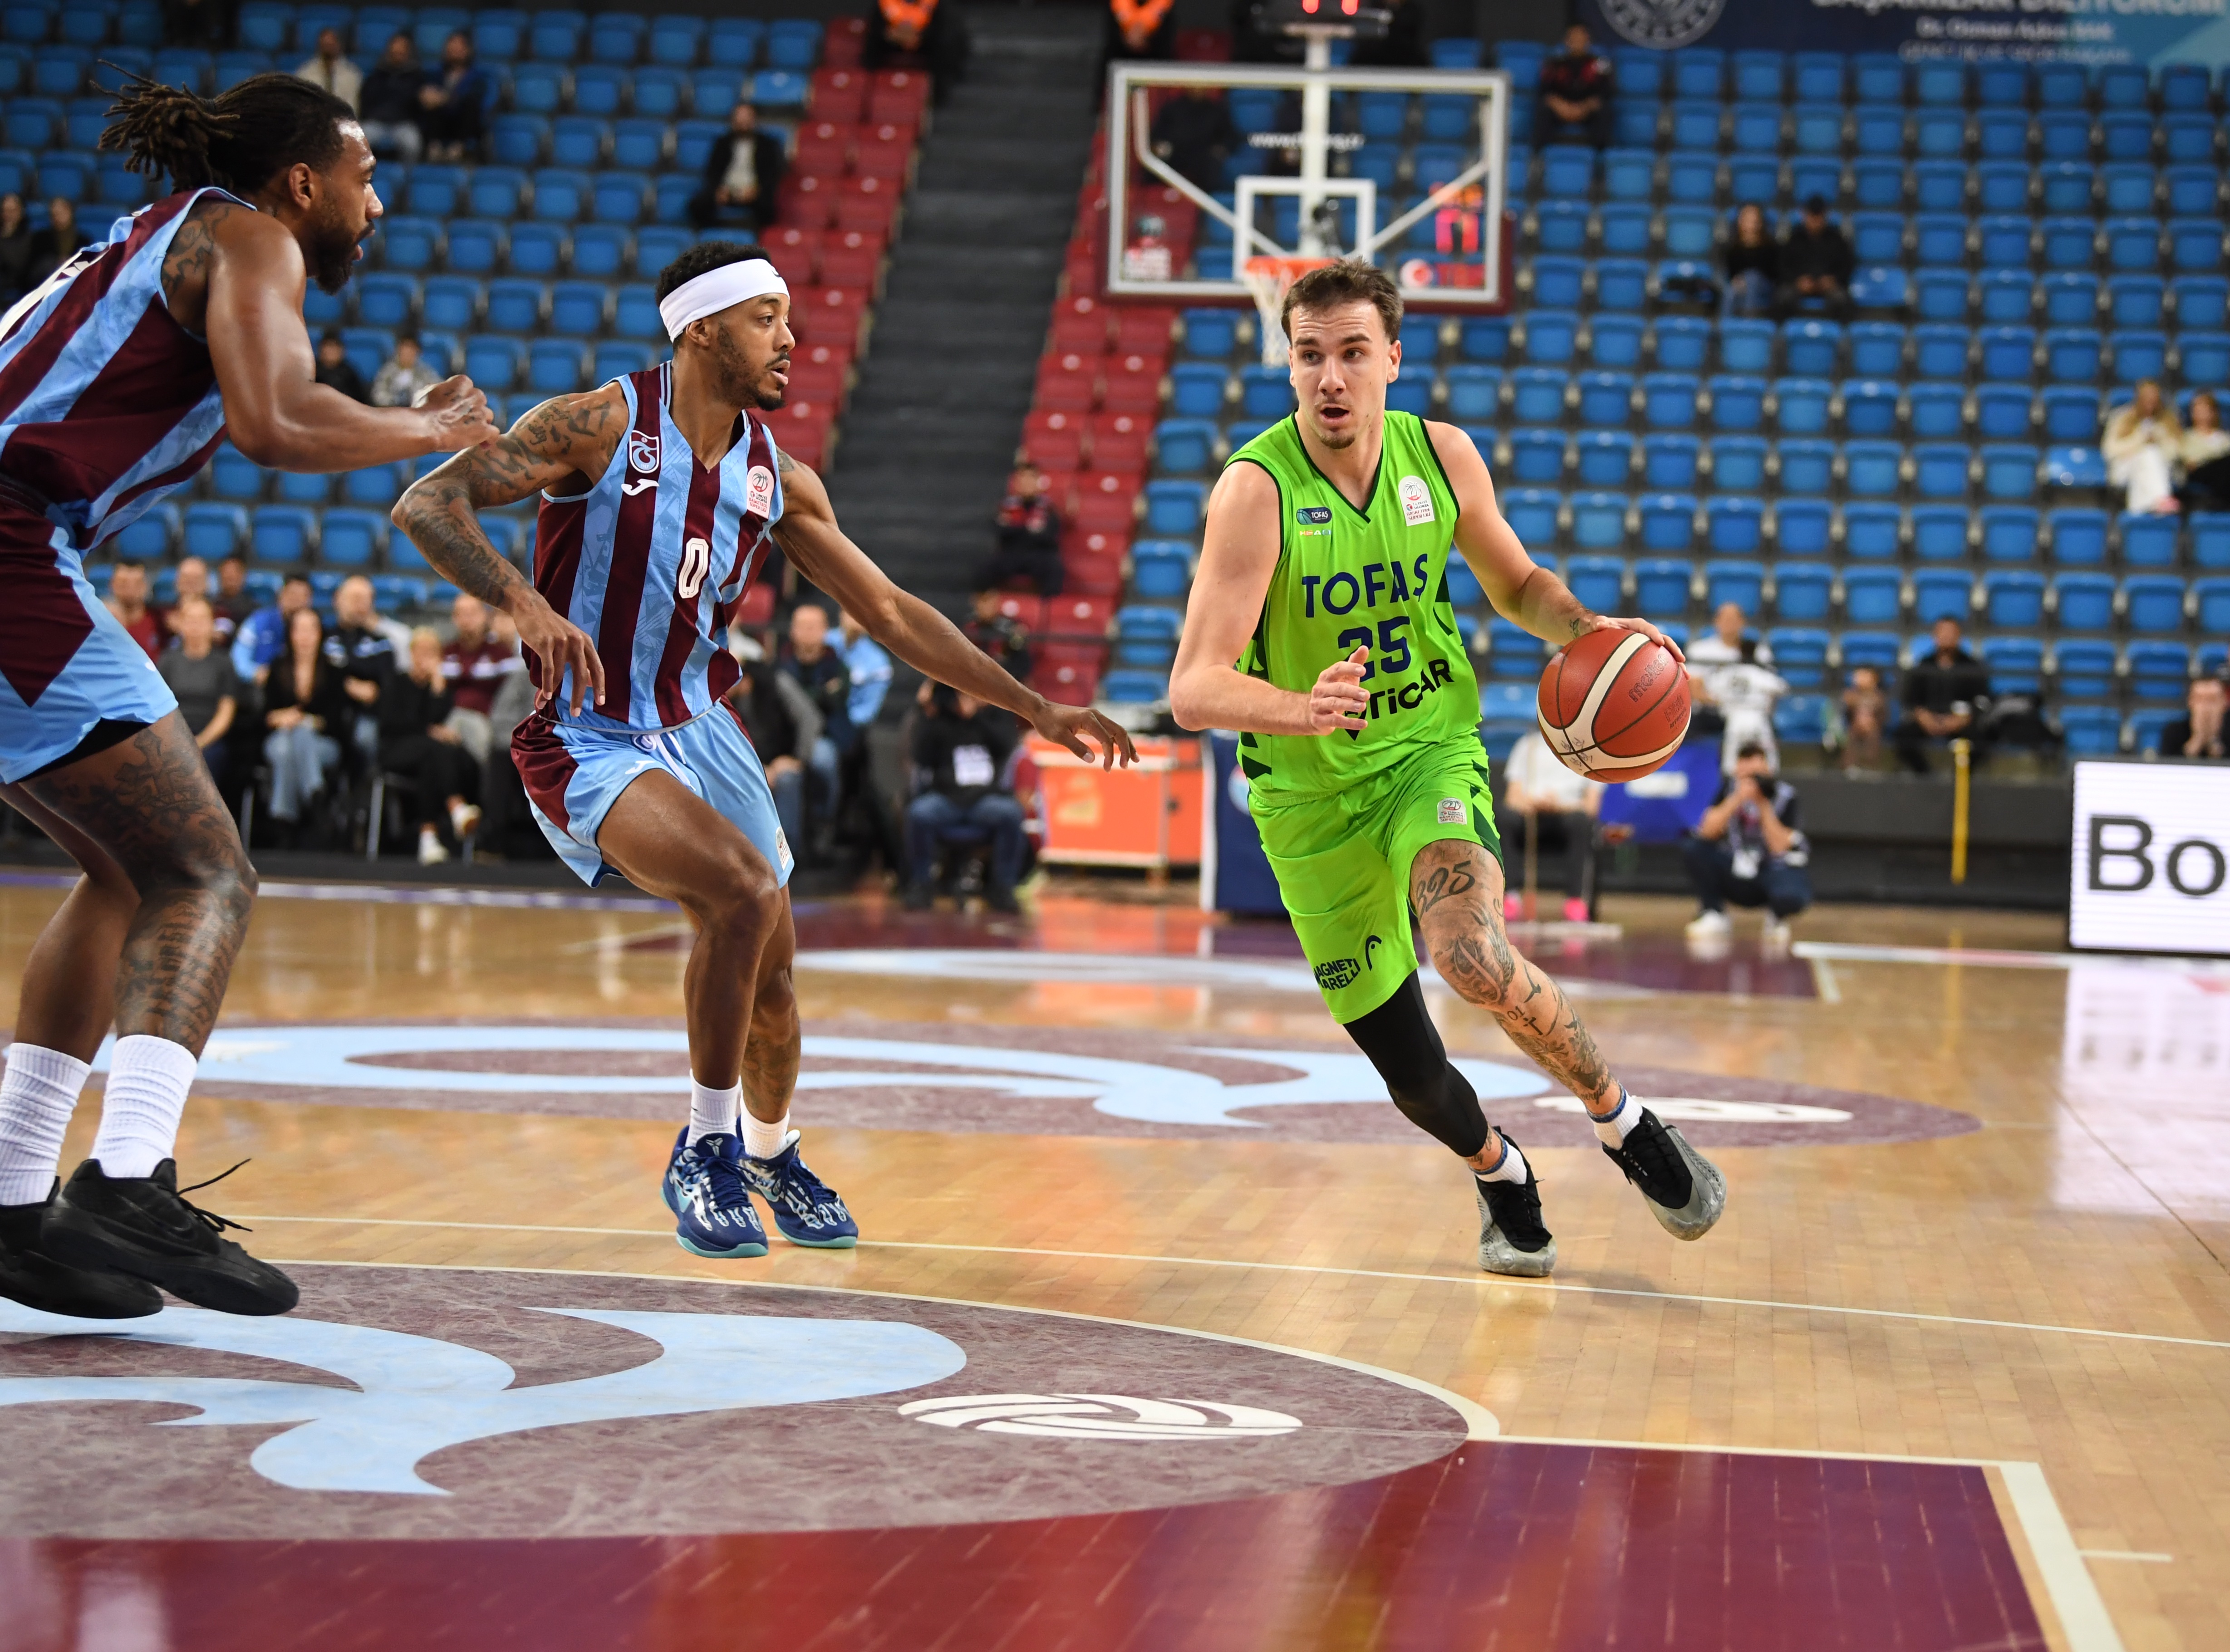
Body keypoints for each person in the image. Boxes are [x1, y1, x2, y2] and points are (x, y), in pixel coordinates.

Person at [390, 240, 1133, 1263]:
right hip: (589, 732)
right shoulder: (597, 425)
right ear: (703, 330)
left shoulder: (777, 478)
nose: (792, 338)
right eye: (766, 318)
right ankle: (706, 1148)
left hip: (706, 727)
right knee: (740, 892)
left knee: (775, 993)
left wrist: (1033, 705)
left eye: (788, 317)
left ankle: (774, 1153)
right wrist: (521, 602)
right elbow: (427, 502)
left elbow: (888, 611)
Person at [0, 71, 498, 1323]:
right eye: (365, 179)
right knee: (205, 870)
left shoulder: (155, 237)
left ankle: (10, 1205)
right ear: (302, 181)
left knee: (127, 874)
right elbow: (275, 423)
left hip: (23, 540)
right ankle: (129, 1179)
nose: (376, 204)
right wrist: (428, 428)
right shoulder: (250, 236)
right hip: (8, 542)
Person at [1167, 258, 1724, 1279]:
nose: (1330, 377)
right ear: (1288, 366)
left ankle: (1623, 1121)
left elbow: (1515, 583)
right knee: (1415, 1076)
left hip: (1428, 751)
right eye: (1309, 356)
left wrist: (1589, 629)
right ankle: (1499, 1171)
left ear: (1391, 358)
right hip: (1308, 801)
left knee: (1469, 954)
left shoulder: (1441, 456)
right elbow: (1193, 687)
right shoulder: (1255, 491)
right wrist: (1299, 707)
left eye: (1351, 353)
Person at [905, 681, 1025, 911]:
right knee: (919, 813)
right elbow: (921, 755)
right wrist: (927, 713)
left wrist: (977, 716)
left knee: (1011, 813)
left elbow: (1005, 745)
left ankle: (1003, 888)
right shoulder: (941, 719)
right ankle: (921, 885)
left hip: (984, 801)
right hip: (947, 799)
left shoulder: (995, 717)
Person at [1682, 743, 1811, 947]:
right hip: (1736, 867)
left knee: (1792, 894)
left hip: (1770, 870)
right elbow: (1706, 831)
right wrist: (1737, 798)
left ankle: (1778, 916)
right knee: (1694, 849)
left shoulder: (1786, 796)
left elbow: (1780, 846)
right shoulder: (1728, 789)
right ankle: (1714, 912)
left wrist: (1762, 802)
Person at [380, 627, 482, 863]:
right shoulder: (396, 681)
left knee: (433, 763)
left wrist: (437, 690)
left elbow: (439, 719)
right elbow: (392, 723)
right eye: (421, 651)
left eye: (431, 652)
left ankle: (428, 839)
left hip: (428, 756)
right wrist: (428, 730)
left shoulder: (441, 689)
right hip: (396, 749)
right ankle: (456, 807)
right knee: (435, 749)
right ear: (411, 653)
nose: (425, 657)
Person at [727, 633, 820, 854]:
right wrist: (759, 769)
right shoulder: (722, 702)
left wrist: (798, 760)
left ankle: (788, 854)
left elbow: (810, 720)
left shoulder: (777, 684)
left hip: (785, 757)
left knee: (790, 779)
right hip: (752, 766)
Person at [1498, 729, 1602, 925]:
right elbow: (1512, 798)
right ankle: (1509, 896)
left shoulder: (1589, 750)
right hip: (1531, 816)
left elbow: (1591, 806)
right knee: (1505, 818)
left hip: (1567, 818)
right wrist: (1533, 803)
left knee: (1581, 822)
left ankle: (1575, 901)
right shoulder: (1527, 745)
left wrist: (1559, 806)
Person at [260, 605, 348, 834]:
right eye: (300, 629)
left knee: (296, 740)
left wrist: (306, 722)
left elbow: (338, 721)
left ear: (320, 634)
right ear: (291, 634)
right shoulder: (276, 667)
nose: (305, 636)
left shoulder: (334, 671)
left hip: (323, 744)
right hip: (280, 736)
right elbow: (264, 716)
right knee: (284, 747)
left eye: (311, 630)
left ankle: (283, 819)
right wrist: (281, 718)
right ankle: (315, 793)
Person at [780, 602, 852, 841]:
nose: (808, 632)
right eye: (803, 626)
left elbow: (835, 702)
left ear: (825, 630)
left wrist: (798, 697)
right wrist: (820, 694)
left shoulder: (838, 666)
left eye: (814, 626)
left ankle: (825, 821)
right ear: (792, 630)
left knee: (823, 760)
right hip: (785, 738)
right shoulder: (780, 666)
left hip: (825, 736)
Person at [155, 596, 239, 781]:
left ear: (212, 624)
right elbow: (158, 707)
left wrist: (200, 742)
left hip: (210, 739)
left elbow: (226, 712)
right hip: (173, 736)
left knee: (207, 762)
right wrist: (177, 741)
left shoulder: (224, 663)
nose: (196, 626)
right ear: (181, 624)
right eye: (190, 620)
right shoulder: (168, 661)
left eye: (202, 620)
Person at [1895, 617, 1992, 773]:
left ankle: (1960, 777)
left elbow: (1983, 701)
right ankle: (1926, 776)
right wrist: (1924, 717)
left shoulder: (1972, 667)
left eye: (1951, 633)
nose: (1947, 637)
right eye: (1943, 632)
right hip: (1929, 720)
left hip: (1960, 722)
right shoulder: (1923, 666)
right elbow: (1911, 700)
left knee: (1984, 739)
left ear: (1959, 637)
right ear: (1935, 636)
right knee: (1902, 736)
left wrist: (1962, 719)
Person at [439, 591, 518, 767]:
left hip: (490, 721)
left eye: (473, 613)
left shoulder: (501, 654)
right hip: (449, 720)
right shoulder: (446, 653)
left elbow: (510, 697)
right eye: (461, 614)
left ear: (485, 616)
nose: (467, 620)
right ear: (454, 618)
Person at [689, 102, 787, 235]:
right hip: (727, 192)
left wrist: (756, 190)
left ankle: (759, 238)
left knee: (768, 207)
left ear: (755, 120)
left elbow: (773, 174)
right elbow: (712, 171)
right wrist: (718, 190)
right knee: (698, 205)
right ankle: (714, 236)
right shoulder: (722, 143)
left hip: (753, 193)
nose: (743, 123)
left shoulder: (768, 145)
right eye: (740, 119)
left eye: (747, 118)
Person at [980, 463, 1064, 595]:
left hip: (1039, 555)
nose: (1027, 483)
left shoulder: (1048, 508)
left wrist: (1016, 527)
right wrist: (1028, 529)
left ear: (1038, 482)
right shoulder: (1006, 507)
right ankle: (987, 604)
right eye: (1023, 479)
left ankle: (1048, 606)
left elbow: (1049, 535)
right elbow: (999, 530)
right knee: (985, 568)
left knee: (1055, 569)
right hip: (1011, 553)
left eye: (1031, 478)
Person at [2104, 379, 2182, 515]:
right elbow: (2110, 451)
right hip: (2125, 466)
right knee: (2147, 454)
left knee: (2149, 455)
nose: (2150, 401)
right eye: (2146, 397)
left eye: (2154, 397)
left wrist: (2159, 439)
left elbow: (2177, 452)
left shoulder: (2169, 420)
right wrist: (2140, 441)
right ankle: (2163, 498)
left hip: (2162, 469)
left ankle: (2139, 513)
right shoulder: (2121, 417)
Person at [1149, 85, 1242, 195]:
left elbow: (1231, 138)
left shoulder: (1216, 110)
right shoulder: (1172, 109)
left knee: (1212, 165)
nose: (1197, 90)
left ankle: (1209, 200)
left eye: (1201, 87)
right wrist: (1161, 147)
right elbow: (1157, 137)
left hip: (1203, 156)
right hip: (1175, 155)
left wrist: (1222, 148)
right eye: (1194, 87)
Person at [417, 32, 489, 164]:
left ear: (468, 51)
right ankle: (434, 148)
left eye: (459, 48)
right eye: (451, 47)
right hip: (442, 122)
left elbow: (472, 96)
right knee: (431, 105)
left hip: (463, 123)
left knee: (470, 104)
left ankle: (458, 148)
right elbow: (427, 93)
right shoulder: (436, 75)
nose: (454, 51)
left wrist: (445, 98)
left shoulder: (476, 77)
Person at [1538, 23, 1613, 149]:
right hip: (1561, 110)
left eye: (1581, 39)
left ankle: (1601, 154)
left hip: (1587, 110)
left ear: (1588, 42)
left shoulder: (1600, 64)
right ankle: (1540, 153)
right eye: (1574, 39)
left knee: (1604, 111)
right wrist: (1561, 106)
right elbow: (1545, 92)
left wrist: (1584, 108)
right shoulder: (1555, 64)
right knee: (1543, 110)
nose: (1577, 43)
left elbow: (1605, 93)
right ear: (1566, 41)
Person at [231, 571, 312, 686]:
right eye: (292, 594)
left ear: (310, 600)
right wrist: (255, 673)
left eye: (302, 596)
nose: (296, 601)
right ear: (281, 594)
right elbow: (239, 658)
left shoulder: (316, 628)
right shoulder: (258, 621)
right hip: (260, 687)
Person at [1778, 196, 1852, 319]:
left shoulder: (1836, 239)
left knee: (1842, 299)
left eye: (1819, 216)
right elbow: (1783, 266)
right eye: (1812, 216)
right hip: (1799, 284)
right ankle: (1787, 330)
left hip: (1829, 286)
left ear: (1825, 216)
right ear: (1804, 215)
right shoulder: (1794, 239)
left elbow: (1847, 266)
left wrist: (1833, 280)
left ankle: (1836, 331)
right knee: (1783, 297)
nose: (1815, 221)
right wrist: (1797, 281)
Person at [359, 33, 427, 165]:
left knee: (412, 145)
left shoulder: (416, 77)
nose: (398, 54)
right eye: (395, 52)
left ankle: (407, 174)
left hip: (403, 123)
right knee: (359, 142)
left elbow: (419, 105)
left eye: (401, 52)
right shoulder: (377, 75)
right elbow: (367, 99)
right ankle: (364, 174)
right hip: (377, 122)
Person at [835, 608, 893, 732]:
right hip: (814, 716)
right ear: (841, 615)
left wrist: (839, 722)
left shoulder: (878, 662)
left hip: (849, 726)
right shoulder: (824, 642)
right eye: (850, 612)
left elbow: (868, 711)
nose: (854, 619)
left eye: (859, 613)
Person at [962, 587, 1031, 684]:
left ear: (996, 602)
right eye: (982, 601)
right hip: (976, 676)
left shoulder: (1010, 626)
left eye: (989, 601)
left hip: (1004, 676)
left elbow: (1021, 661)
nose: (986, 606)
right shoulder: (969, 627)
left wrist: (1018, 637)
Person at [2176, 390, 2230, 512]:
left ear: (2214, 412)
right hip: (2200, 473)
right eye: (2198, 410)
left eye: (2206, 410)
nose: (2202, 414)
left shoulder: (2224, 437)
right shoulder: (2187, 437)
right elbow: (2190, 462)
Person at [1723, 202, 1778, 319]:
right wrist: (1737, 281)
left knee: (1752, 278)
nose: (1751, 223)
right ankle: (1725, 324)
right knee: (1730, 291)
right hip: (1738, 285)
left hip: (1764, 286)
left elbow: (1774, 274)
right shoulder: (1732, 247)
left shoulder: (1770, 247)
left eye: (1754, 219)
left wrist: (1748, 280)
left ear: (1760, 222)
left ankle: (1748, 322)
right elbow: (1728, 272)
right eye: (1747, 219)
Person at [2156, 673, 2227, 760]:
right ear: (2190, 702)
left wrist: (2214, 743)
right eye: (2200, 700)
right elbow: (2166, 765)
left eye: (2212, 700)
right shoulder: (2173, 732)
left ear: (2224, 702)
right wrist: (2197, 740)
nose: (2206, 707)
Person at [104, 561, 164, 661]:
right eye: (123, 584)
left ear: (146, 586)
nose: (130, 590)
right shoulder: (99, 621)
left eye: (137, 584)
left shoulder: (160, 621)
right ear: (112, 585)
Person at [293, 26, 362, 110]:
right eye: (325, 45)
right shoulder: (305, 74)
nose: (328, 49)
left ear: (339, 45)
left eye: (331, 45)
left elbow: (353, 107)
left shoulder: (352, 75)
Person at [26, 196, 90, 288]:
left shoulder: (83, 240)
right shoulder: (40, 239)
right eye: (54, 215)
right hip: (46, 285)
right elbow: (33, 270)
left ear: (70, 213)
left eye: (62, 213)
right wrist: (55, 263)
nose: (58, 218)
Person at [1838, 663, 1887, 773]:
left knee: (1873, 736)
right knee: (1852, 737)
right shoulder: (1850, 695)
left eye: (1864, 675)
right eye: (1857, 676)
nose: (1859, 678)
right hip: (1854, 727)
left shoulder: (1879, 697)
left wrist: (1872, 722)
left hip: (1873, 728)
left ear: (1874, 679)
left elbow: (1883, 715)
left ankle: (1870, 765)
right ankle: (1850, 766)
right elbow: (1844, 714)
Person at [371, 334, 439, 407]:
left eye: (410, 353)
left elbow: (438, 390)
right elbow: (377, 394)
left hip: (418, 411)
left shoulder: (425, 372)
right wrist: (394, 401)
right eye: (404, 353)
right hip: (392, 410)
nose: (407, 356)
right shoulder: (388, 371)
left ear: (417, 353)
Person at [1105, 0, 1176, 63]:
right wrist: (1129, 32)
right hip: (1120, 57)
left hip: (1156, 60)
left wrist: (1145, 33)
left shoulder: (1168, 9)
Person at [314, 328, 370, 402]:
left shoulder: (349, 373)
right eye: (327, 347)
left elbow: (362, 399)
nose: (330, 351)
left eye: (334, 347)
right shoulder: (313, 371)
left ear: (342, 350)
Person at [0, 193, 34, 306]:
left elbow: (18, 264)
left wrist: (6, 236)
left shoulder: (29, 237)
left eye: (12, 211)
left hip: (20, 281)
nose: (8, 215)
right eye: (5, 211)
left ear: (21, 212)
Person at [212, 554, 257, 636]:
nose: (230, 577)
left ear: (244, 576)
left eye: (235, 574)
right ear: (219, 575)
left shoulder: (255, 610)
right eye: (227, 574)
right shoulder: (208, 606)